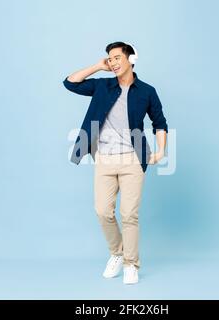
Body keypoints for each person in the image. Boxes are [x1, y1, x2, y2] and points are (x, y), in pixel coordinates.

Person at [63, 41, 168, 284]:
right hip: (104, 159)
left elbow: (160, 122)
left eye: (117, 57)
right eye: (109, 58)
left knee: (129, 214)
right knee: (102, 211)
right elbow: (70, 83)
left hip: (133, 159)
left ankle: (131, 264)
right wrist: (97, 67)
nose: (113, 62)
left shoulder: (147, 91)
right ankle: (117, 253)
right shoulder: (102, 86)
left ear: (131, 59)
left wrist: (161, 151)